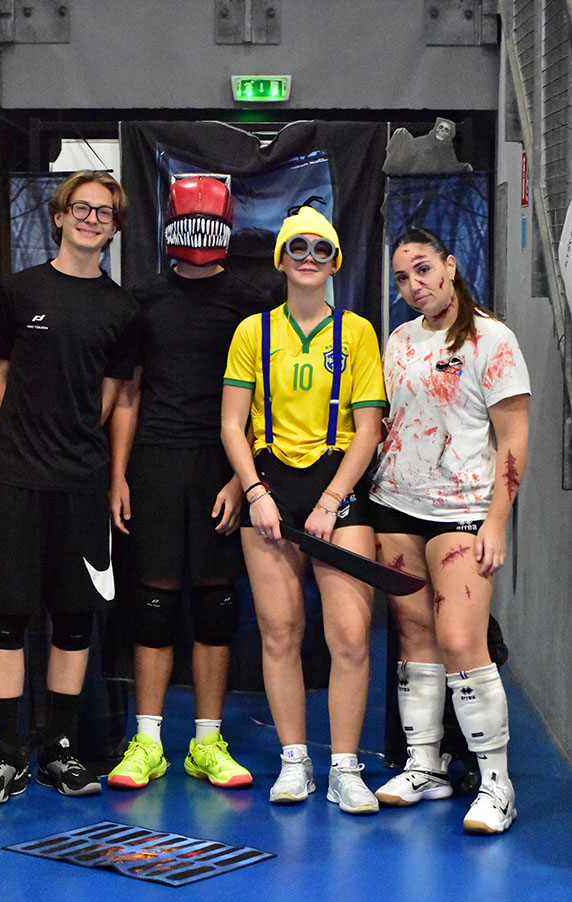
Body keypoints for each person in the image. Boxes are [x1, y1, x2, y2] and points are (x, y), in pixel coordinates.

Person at [0, 170, 139, 804]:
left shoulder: (122, 310)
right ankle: (7, 754)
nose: (92, 219)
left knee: (72, 620)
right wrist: (25, 444)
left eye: (104, 212)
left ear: (115, 228)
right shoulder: (17, 292)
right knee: (7, 619)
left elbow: (117, 398)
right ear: (60, 216)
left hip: (81, 485)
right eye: (82, 208)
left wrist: (108, 473)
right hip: (14, 481)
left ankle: (60, 750)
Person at [107, 175, 270, 791]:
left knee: (215, 606)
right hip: (153, 461)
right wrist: (118, 474)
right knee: (152, 605)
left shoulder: (252, 301)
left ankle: (206, 741)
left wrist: (240, 478)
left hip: (219, 463)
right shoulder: (143, 299)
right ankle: (147, 741)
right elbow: (129, 392)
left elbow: (260, 400)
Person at [221, 205, 386, 813]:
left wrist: (331, 500)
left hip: (337, 483)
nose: (310, 259)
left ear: (335, 261)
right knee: (280, 632)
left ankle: (345, 768)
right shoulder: (253, 332)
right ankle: (296, 761)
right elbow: (232, 425)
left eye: (322, 249)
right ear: (281, 259)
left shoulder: (357, 332)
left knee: (350, 636)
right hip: (270, 486)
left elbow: (368, 429)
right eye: (298, 248)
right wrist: (255, 493)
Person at [371, 227, 530, 834]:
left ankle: (496, 785)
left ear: (451, 265)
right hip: (396, 504)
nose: (414, 285)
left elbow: (513, 438)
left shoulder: (493, 339)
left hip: (462, 510)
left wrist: (497, 521)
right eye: (402, 277)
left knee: (462, 641)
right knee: (415, 638)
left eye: (423, 269)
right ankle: (425, 765)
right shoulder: (400, 340)